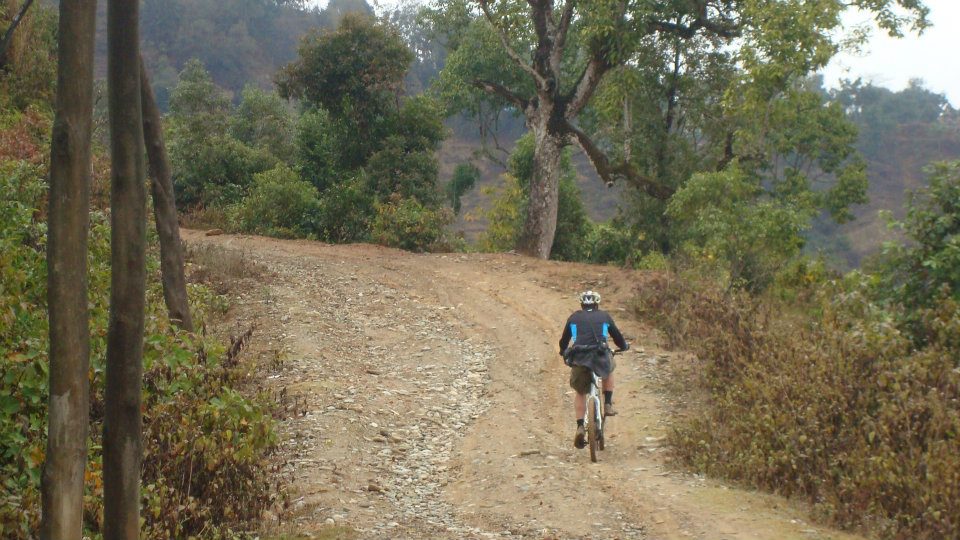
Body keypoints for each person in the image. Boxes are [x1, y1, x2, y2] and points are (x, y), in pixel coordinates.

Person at [559, 290, 629, 449]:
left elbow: (564, 341)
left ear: (581, 304)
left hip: (580, 357)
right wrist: (624, 347)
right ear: (597, 303)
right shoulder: (604, 316)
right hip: (599, 355)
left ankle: (579, 426)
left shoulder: (574, 318)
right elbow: (617, 337)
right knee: (609, 369)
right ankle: (608, 404)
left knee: (580, 392)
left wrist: (563, 351)